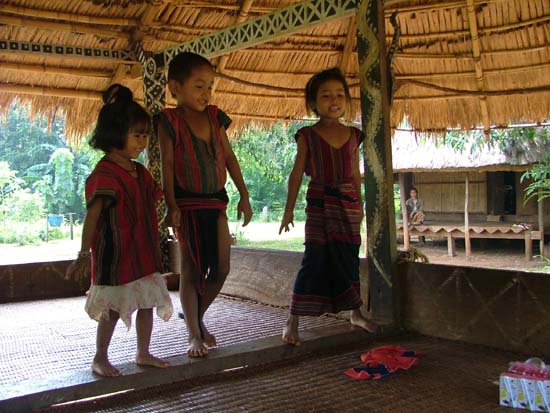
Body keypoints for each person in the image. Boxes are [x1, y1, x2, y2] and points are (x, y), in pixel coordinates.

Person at [65, 84, 173, 377]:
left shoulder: (141, 172)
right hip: (115, 257)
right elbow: (92, 217)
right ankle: (100, 357)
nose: (142, 141)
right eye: (136, 135)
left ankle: (143, 352)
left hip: (143, 254)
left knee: (148, 301)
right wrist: (84, 253)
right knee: (111, 309)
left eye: (145, 135)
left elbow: (156, 198)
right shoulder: (104, 175)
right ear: (115, 135)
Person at [156, 52, 253, 358]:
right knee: (191, 271)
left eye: (210, 86)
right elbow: (167, 165)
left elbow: (229, 157)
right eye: (199, 86)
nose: (206, 93)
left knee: (221, 268)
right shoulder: (169, 121)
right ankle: (194, 334)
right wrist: (171, 205)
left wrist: (244, 194)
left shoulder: (215, 117)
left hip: (216, 203)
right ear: (175, 87)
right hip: (187, 205)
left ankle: (195, 319)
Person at [279, 68, 377, 346]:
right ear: (313, 103)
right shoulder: (307, 135)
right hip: (320, 205)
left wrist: (359, 205)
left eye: (339, 95)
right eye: (325, 95)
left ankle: (355, 313)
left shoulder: (354, 135)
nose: (334, 100)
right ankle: (292, 320)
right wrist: (288, 210)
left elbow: (355, 174)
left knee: (348, 257)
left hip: (347, 206)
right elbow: (296, 174)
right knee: (314, 258)